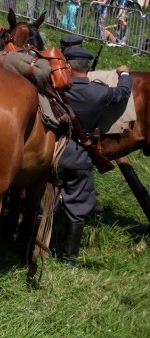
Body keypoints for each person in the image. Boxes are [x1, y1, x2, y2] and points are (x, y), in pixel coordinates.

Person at [56, 47, 131, 264]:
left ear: (68, 65)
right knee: (79, 207)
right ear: (89, 68)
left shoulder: (56, 89)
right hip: (81, 155)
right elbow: (123, 93)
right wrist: (124, 73)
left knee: (44, 203)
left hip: (54, 153)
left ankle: (36, 248)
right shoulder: (99, 92)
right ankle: (69, 258)